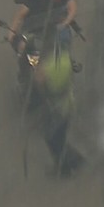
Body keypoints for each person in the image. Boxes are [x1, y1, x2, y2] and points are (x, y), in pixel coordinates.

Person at [7, 0, 77, 58]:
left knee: (64, 42)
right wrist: (12, 32)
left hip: (56, 31)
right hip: (38, 33)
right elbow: (21, 13)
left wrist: (64, 23)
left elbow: (72, 7)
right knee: (25, 48)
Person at [33, 49, 84, 178]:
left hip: (58, 110)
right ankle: (74, 162)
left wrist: (39, 77)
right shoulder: (65, 60)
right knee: (58, 138)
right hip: (66, 106)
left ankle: (69, 166)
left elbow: (40, 81)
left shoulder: (48, 69)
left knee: (53, 139)